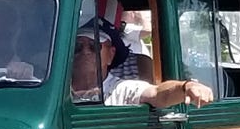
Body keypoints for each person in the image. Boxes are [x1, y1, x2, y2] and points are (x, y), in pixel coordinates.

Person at [71, 17, 213, 107]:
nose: (85, 51)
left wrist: (186, 87)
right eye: (77, 46)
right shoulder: (55, 90)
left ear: (110, 54)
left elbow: (157, 94)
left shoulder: (121, 89)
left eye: (94, 46)